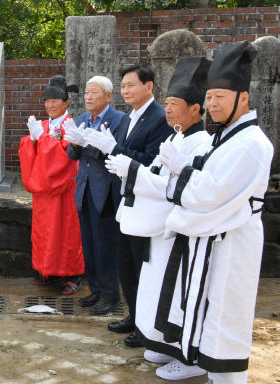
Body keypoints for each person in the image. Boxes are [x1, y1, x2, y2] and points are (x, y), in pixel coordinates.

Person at [154, 41, 270, 384]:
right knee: (210, 309)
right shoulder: (225, 137)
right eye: (210, 97)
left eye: (220, 96)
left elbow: (213, 195)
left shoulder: (252, 142)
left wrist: (180, 173)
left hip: (234, 239)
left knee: (227, 313)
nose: (212, 104)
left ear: (243, 98)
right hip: (215, 237)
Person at [106, 56, 212, 380]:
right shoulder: (177, 136)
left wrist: (133, 169)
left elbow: (174, 186)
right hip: (159, 226)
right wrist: (138, 171)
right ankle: (163, 342)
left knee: (178, 293)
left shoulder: (200, 142)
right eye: (166, 104)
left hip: (178, 228)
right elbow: (157, 173)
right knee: (156, 287)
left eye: (174, 104)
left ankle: (189, 356)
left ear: (195, 108)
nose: (167, 110)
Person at [84, 64, 173, 347]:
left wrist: (114, 149)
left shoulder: (158, 117)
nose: (126, 90)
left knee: (138, 264)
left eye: (131, 85)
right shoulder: (133, 115)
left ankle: (143, 324)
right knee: (126, 263)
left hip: (145, 200)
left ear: (149, 86)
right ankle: (133, 317)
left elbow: (149, 160)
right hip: (125, 198)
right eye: (123, 86)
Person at [62, 75, 126, 316]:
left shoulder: (119, 120)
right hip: (84, 189)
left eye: (94, 92)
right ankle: (96, 290)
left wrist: (88, 145)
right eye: (87, 92)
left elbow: (114, 155)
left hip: (106, 191)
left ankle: (111, 295)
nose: (88, 96)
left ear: (108, 96)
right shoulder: (82, 119)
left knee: (105, 245)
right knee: (88, 244)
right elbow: (71, 155)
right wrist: (76, 145)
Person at [18, 75, 84, 295]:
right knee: (44, 231)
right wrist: (33, 140)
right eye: (47, 101)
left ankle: (72, 274)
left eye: (55, 101)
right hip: (43, 190)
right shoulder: (43, 125)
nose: (50, 105)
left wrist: (42, 140)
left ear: (66, 103)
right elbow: (29, 153)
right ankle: (47, 270)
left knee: (66, 232)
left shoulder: (71, 125)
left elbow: (67, 155)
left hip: (64, 189)